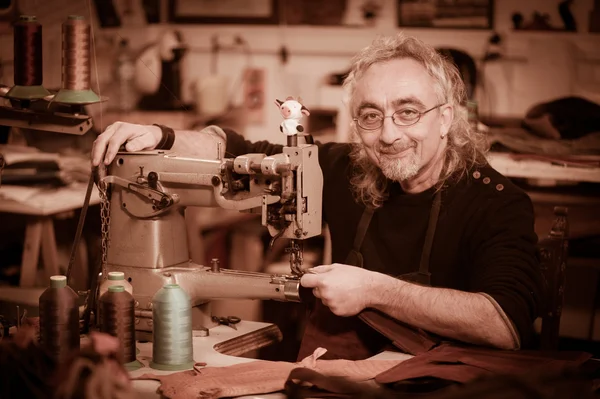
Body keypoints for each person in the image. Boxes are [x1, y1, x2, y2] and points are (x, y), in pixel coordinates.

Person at [91, 33, 543, 361]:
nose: (388, 134)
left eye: (408, 112)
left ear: (445, 118)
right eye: (371, 116)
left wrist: (374, 290)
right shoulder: (347, 167)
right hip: (349, 373)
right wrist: (159, 135)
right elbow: (236, 151)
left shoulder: (497, 202)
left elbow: (504, 324)